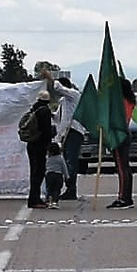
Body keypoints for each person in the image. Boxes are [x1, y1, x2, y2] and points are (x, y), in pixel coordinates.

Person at [44, 71, 84, 200]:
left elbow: (59, 88)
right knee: (65, 162)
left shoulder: (74, 95)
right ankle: (68, 187)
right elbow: (58, 117)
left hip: (73, 131)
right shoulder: (63, 101)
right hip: (64, 133)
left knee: (71, 161)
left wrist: (51, 78)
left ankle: (71, 189)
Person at [107, 78, 137, 209]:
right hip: (124, 134)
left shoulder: (122, 102)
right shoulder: (129, 100)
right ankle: (125, 196)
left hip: (120, 135)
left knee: (122, 168)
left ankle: (124, 197)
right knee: (124, 167)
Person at [26, 91, 55, 209]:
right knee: (39, 173)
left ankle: (34, 198)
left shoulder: (33, 109)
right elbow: (46, 131)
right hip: (40, 145)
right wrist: (49, 145)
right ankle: (34, 200)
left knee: (34, 172)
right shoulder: (45, 111)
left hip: (31, 144)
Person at [45, 142, 67, 209]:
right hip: (58, 175)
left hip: (49, 175)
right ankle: (55, 202)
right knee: (56, 189)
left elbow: (45, 167)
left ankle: (49, 201)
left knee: (49, 189)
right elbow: (64, 167)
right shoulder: (60, 158)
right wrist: (66, 175)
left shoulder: (48, 158)